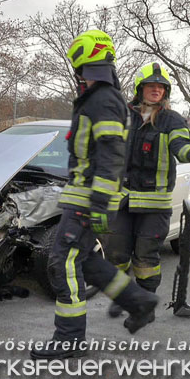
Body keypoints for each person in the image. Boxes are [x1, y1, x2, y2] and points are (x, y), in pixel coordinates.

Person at [31, 30, 158, 360]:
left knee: (62, 263)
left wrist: (99, 201)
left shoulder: (101, 99)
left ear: (84, 66)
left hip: (88, 198)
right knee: (84, 260)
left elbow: (112, 153)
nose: (78, 78)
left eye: (78, 71)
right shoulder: (101, 98)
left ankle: (69, 339)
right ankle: (138, 301)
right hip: (84, 194)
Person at [105, 62, 190, 324]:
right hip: (123, 201)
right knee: (117, 256)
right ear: (140, 88)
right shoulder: (125, 117)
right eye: (151, 85)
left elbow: (181, 145)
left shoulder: (171, 120)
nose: (155, 90)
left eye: (160, 86)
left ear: (165, 92)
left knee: (145, 259)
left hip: (154, 204)